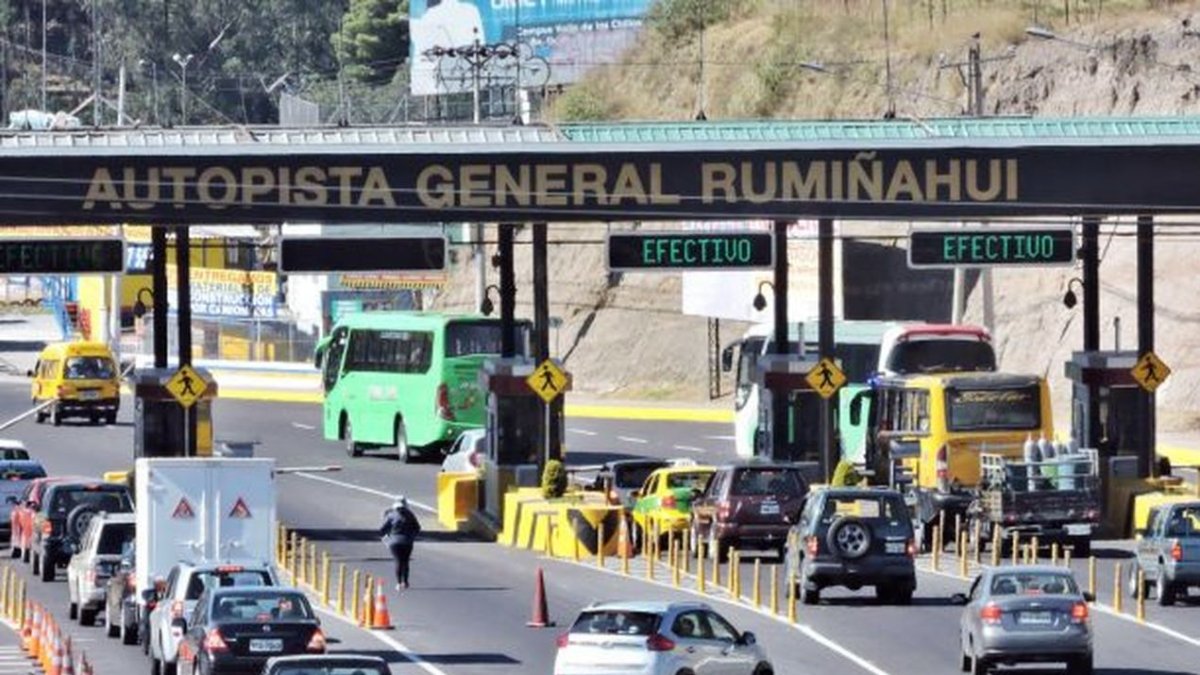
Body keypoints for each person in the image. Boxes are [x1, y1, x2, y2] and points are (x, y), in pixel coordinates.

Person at [379, 496, 422, 590]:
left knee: (398, 561)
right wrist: (412, 536)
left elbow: (382, 529)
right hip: (407, 542)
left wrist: (387, 537)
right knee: (405, 562)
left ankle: (398, 583)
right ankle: (405, 582)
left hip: (394, 542)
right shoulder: (410, 515)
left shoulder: (391, 515)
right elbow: (417, 528)